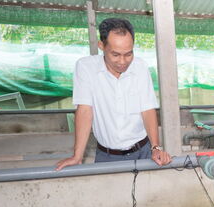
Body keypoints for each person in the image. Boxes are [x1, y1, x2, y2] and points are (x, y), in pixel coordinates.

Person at [56, 18, 171, 170]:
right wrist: (78, 156)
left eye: (128, 54)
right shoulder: (86, 68)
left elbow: (147, 108)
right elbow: (84, 110)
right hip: (107, 156)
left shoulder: (140, 67)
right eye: (115, 55)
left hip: (143, 151)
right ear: (101, 46)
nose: (123, 61)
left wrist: (155, 147)